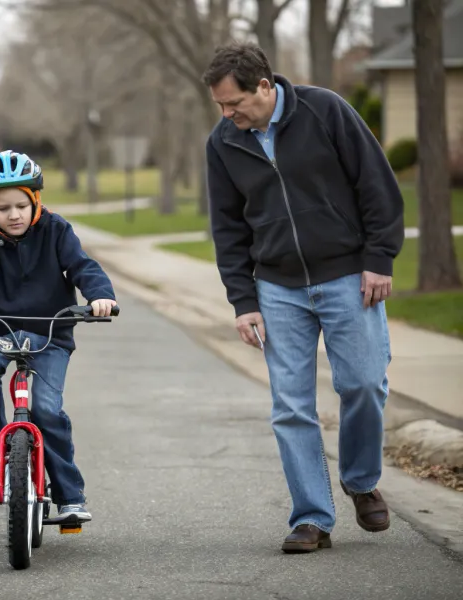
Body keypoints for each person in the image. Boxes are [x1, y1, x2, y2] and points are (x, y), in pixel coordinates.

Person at [201, 43, 404, 553]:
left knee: (363, 384)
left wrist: (379, 258)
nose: (228, 116)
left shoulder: (326, 110)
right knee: (290, 407)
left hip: (346, 275)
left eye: (235, 104)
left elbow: (375, 185)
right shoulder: (224, 142)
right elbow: (227, 229)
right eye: (221, 107)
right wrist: (242, 300)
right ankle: (312, 517)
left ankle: (359, 481)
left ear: (264, 87)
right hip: (276, 287)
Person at [0, 150, 117, 521]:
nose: (13, 215)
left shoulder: (57, 231)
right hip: (1, 326)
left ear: (35, 202)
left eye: (20, 206)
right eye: (3, 208)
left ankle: (70, 496)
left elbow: (83, 267)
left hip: (51, 332)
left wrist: (101, 296)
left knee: (46, 410)